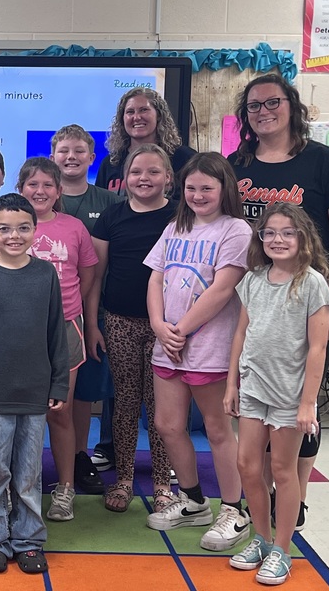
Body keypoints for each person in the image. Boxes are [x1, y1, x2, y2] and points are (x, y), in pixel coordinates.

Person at [228, 73, 329, 527]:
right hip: (259, 299)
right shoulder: (238, 163)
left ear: (292, 106)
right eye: (253, 106)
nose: (263, 112)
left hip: (312, 301)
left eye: (272, 103)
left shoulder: (324, 162)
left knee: (302, 404)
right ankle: (265, 496)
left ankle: (296, 496)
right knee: (261, 400)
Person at [143, 153, 253, 551]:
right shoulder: (176, 227)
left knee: (216, 429)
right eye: (191, 188)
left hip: (208, 347)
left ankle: (233, 508)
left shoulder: (236, 230)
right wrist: (159, 325)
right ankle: (192, 500)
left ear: (225, 188)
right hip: (168, 345)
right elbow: (156, 277)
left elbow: (223, 290)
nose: (198, 195)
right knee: (168, 424)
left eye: (207, 188)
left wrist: (181, 330)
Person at [0, 193, 69, 575]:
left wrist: (58, 384)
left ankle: (29, 539)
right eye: (4, 229)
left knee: (28, 472)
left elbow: (57, 333)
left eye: (23, 228)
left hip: (35, 391)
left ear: (35, 232)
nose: (14, 235)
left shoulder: (45, 274)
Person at [224, 203, 329, 585]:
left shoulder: (313, 282)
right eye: (269, 232)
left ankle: (283, 551)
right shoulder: (253, 279)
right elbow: (241, 334)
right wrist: (232, 384)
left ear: (302, 237)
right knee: (248, 466)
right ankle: (262, 539)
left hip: (290, 394)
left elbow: (317, 348)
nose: (277, 239)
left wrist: (307, 404)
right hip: (254, 387)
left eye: (287, 232)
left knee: (284, 471)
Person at [89, 144, 176, 513]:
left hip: (167, 326)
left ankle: (161, 482)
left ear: (169, 178)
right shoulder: (111, 217)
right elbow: (96, 277)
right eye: (137, 172)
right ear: (124, 178)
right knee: (124, 403)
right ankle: (123, 478)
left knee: (161, 408)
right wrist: (95, 325)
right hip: (120, 321)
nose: (144, 179)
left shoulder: (180, 218)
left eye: (153, 172)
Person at [17, 157, 98, 522]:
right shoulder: (12, 226)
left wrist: (85, 320)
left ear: (59, 191)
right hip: (17, 328)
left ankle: (65, 488)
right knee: (20, 413)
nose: (40, 191)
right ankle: (20, 487)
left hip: (65, 327)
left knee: (60, 411)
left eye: (48, 185)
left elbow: (87, 277)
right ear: (20, 189)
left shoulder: (74, 228)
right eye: (32, 184)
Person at [51, 125, 122, 495]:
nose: (71, 157)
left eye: (79, 151)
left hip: (91, 314)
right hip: (46, 320)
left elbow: (101, 266)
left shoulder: (108, 203)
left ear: (92, 158)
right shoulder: (37, 203)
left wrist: (93, 320)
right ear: (53, 157)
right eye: (64, 150)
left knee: (82, 392)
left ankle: (79, 457)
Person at [95, 87, 196, 195]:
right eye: (130, 112)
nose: (137, 117)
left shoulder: (185, 159)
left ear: (158, 115)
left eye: (144, 110)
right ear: (122, 119)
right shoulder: (110, 163)